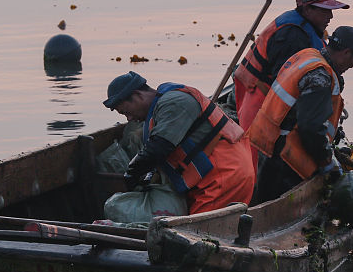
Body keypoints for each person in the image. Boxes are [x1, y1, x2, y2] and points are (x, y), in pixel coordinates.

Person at [246, 26, 353, 204]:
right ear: (346, 52)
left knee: (263, 199)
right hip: (286, 156)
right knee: (278, 205)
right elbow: (310, 127)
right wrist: (327, 162)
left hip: (269, 144)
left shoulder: (308, 55)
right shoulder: (320, 77)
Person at [103, 72, 255, 214]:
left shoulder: (175, 102)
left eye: (126, 112)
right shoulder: (157, 112)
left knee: (198, 233)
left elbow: (158, 148)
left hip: (224, 176)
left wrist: (131, 173)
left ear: (137, 95)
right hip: (203, 182)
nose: (128, 119)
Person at [232, 0, 350, 132]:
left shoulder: (305, 28)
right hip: (261, 105)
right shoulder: (292, 36)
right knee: (256, 150)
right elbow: (285, 81)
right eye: (325, 11)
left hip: (266, 102)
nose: (331, 16)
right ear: (307, 9)